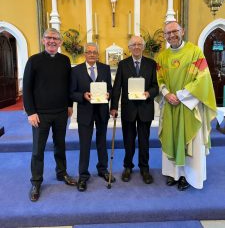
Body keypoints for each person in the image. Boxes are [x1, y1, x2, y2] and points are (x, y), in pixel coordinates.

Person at [156, 21, 217, 190]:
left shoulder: (195, 52)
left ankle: (187, 176)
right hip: (170, 105)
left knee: (189, 141)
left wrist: (181, 96)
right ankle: (174, 174)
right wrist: (167, 93)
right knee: (172, 137)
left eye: (174, 31)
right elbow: (159, 79)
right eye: (167, 33)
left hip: (189, 106)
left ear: (182, 31)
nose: (171, 35)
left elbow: (203, 79)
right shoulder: (162, 56)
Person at [23, 28, 76, 202]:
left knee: (60, 145)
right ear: (43, 40)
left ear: (60, 42)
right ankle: (36, 182)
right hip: (40, 115)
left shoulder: (65, 60)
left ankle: (62, 173)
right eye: (49, 38)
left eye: (55, 38)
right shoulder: (34, 60)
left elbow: (69, 85)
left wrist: (69, 105)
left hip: (61, 112)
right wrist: (31, 112)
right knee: (38, 150)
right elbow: (27, 88)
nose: (52, 41)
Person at [110, 36, 159, 184]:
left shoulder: (151, 64)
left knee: (144, 141)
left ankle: (144, 168)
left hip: (145, 109)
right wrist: (113, 107)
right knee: (128, 141)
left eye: (139, 44)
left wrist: (148, 93)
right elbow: (117, 87)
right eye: (133, 44)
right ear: (129, 47)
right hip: (128, 109)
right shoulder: (123, 64)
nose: (137, 47)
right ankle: (128, 167)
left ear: (143, 47)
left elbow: (156, 86)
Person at [70, 42, 115, 192]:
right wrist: (83, 95)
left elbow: (110, 87)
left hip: (102, 111)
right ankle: (83, 176)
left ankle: (102, 169)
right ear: (84, 54)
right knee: (85, 144)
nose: (92, 54)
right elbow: (71, 93)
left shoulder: (105, 68)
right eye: (89, 52)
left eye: (94, 52)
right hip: (85, 112)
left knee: (102, 142)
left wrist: (108, 94)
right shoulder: (76, 71)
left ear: (98, 54)